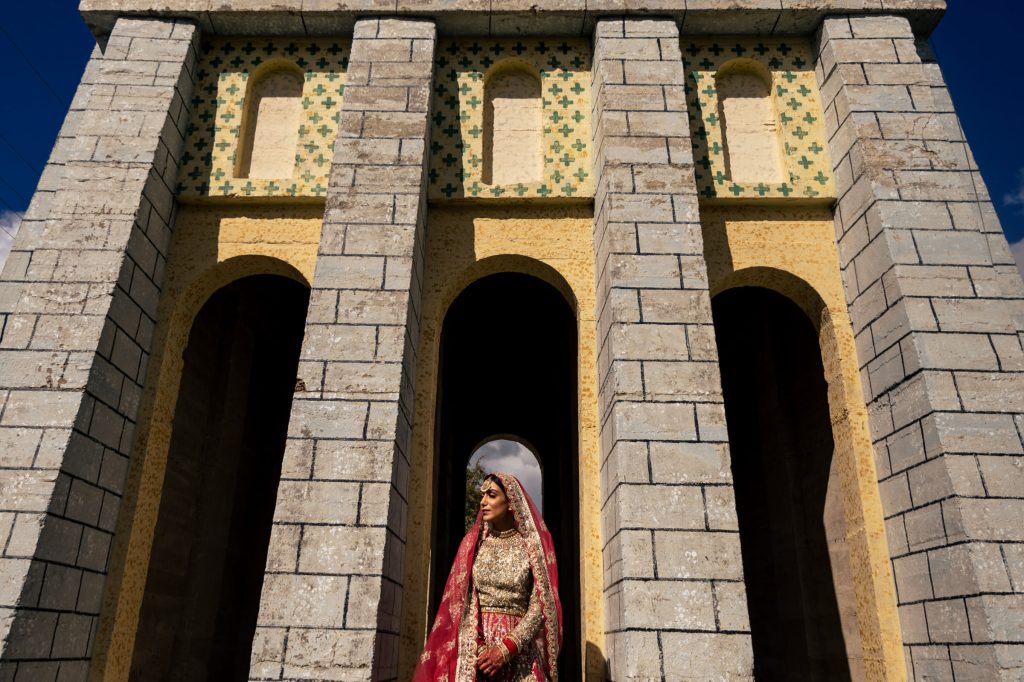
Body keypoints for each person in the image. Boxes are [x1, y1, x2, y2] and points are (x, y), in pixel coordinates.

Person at [413, 472, 562, 681]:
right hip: (476, 655)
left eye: (491, 495)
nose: (483, 502)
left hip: (521, 655)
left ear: (510, 502)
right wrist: (482, 649)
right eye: (482, 495)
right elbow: (463, 601)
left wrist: (506, 649)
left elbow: (540, 604)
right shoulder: (474, 545)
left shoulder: (531, 547)